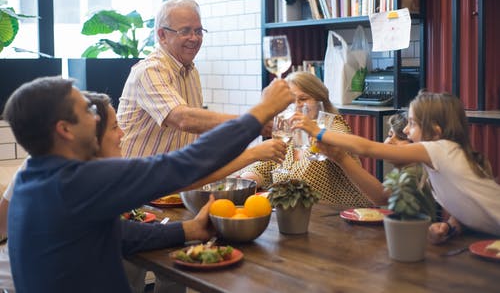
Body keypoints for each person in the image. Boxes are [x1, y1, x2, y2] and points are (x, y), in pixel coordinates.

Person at [3, 76, 293, 293]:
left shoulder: (33, 176)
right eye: (88, 111)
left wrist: (187, 229)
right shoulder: (76, 182)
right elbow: (185, 164)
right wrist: (261, 112)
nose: (97, 119)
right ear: (64, 129)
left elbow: (119, 235)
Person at [293, 91, 500, 242]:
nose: (407, 130)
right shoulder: (443, 158)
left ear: (435, 131)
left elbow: (366, 148)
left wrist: (317, 131)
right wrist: (451, 226)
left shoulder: (439, 149)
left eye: (412, 123)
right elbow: (468, 203)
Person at [118, 0, 246, 158]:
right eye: (185, 31)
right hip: (137, 179)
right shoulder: (149, 70)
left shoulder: (191, 71)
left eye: (198, 31)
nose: (194, 38)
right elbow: (184, 119)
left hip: (173, 177)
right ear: (162, 35)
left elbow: (192, 135)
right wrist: (251, 122)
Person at [241, 71, 372, 208]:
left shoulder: (331, 125)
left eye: (303, 99)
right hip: (303, 218)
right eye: (291, 101)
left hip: (344, 217)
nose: (297, 105)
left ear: (320, 100)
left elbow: (342, 141)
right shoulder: (290, 132)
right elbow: (267, 166)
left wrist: (315, 131)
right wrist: (246, 179)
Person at [320, 113, 413, 205]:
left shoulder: (417, 173)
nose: (389, 142)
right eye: (389, 135)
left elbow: (383, 198)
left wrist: (340, 157)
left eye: (400, 138)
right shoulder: (400, 172)